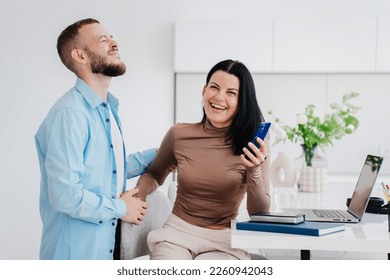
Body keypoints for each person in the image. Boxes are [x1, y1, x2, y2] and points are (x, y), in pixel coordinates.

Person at [35, 18, 156, 260]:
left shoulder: (107, 109)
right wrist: (122, 208)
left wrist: (163, 153)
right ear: (80, 56)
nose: (114, 42)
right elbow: (65, 194)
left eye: (111, 36)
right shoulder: (69, 114)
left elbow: (108, 171)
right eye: (103, 39)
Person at [135, 59, 271, 260]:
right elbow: (154, 174)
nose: (219, 97)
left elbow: (259, 213)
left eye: (231, 93)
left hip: (224, 241)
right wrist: (138, 196)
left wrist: (254, 170)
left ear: (241, 100)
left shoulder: (254, 142)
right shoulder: (178, 134)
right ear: (204, 90)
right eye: (214, 87)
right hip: (176, 234)